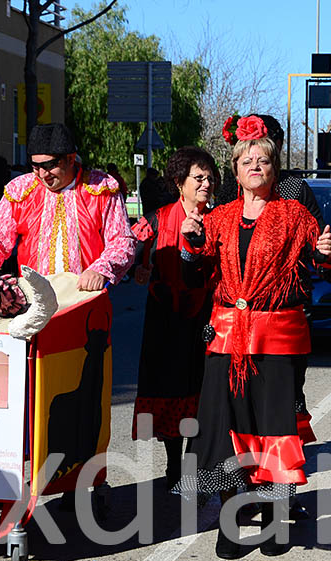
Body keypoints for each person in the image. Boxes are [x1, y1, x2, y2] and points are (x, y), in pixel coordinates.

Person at [176, 116, 331, 559]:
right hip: (226, 341)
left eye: (263, 159)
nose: (255, 166)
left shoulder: (295, 214)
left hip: (277, 341)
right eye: (247, 160)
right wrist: (191, 244)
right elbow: (195, 276)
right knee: (223, 432)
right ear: (235, 170)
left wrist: (327, 255)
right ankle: (230, 522)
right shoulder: (220, 217)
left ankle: (272, 519)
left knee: (271, 432)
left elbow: (328, 268)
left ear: (275, 167)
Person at [130, 147, 220, 488]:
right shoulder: (157, 218)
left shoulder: (218, 219)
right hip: (164, 317)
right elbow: (127, 247)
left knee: (200, 388)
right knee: (168, 387)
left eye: (210, 178)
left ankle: (196, 462)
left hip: (205, 315)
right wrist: (140, 264)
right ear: (179, 182)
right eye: (198, 178)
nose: (206, 184)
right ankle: (172, 463)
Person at [0, 123, 135, 290]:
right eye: (36, 167)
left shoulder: (100, 188)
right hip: (33, 299)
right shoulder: (21, 190)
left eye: (49, 166)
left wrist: (101, 270)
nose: (42, 175)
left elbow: (121, 241)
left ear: (70, 159)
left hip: (85, 296)